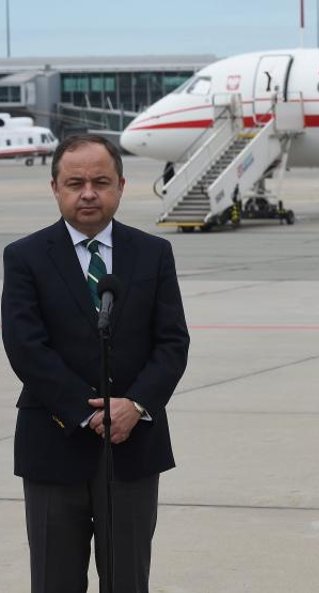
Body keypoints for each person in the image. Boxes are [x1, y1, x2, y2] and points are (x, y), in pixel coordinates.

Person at [2, 134, 190, 593]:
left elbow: (172, 343)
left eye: (101, 182)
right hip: (53, 444)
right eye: (76, 182)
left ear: (121, 186)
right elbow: (26, 346)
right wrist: (86, 412)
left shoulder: (153, 253)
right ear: (55, 188)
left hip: (133, 448)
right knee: (54, 580)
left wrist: (136, 404)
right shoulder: (24, 256)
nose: (89, 193)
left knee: (127, 580)